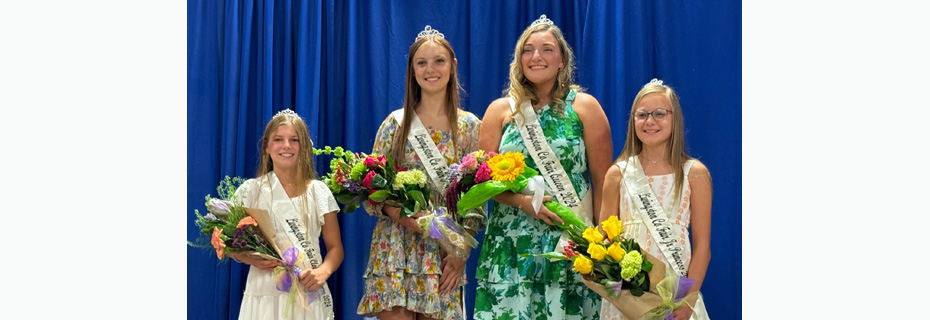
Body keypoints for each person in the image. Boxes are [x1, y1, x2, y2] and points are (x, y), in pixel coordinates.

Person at [473, 14, 613, 320]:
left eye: (547, 49)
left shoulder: (585, 107)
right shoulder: (499, 111)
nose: (536, 57)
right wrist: (525, 203)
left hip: (569, 243)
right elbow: (481, 184)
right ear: (519, 59)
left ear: (562, 59)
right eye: (528, 50)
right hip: (510, 243)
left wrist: (602, 246)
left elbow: (605, 183)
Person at [356, 25, 484, 320]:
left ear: (452, 67)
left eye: (438, 61)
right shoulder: (395, 125)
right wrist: (414, 222)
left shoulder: (469, 128)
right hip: (396, 248)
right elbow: (373, 194)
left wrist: (460, 252)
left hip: (445, 252)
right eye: (421, 63)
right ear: (412, 70)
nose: (431, 70)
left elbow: (476, 200)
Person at [598, 79, 711, 320]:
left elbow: (702, 247)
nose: (650, 121)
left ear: (675, 118)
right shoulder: (618, 173)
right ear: (633, 121)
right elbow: (605, 238)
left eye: (660, 113)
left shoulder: (694, 173)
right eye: (642, 115)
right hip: (627, 295)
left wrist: (688, 301)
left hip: (675, 292)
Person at [229, 109, 344, 320]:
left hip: (307, 290)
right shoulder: (250, 191)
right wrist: (248, 258)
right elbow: (229, 245)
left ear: (305, 147)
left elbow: (336, 248)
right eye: (278, 139)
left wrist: (323, 271)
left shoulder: (318, 192)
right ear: (266, 146)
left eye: (294, 140)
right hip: (264, 291)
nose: (286, 146)